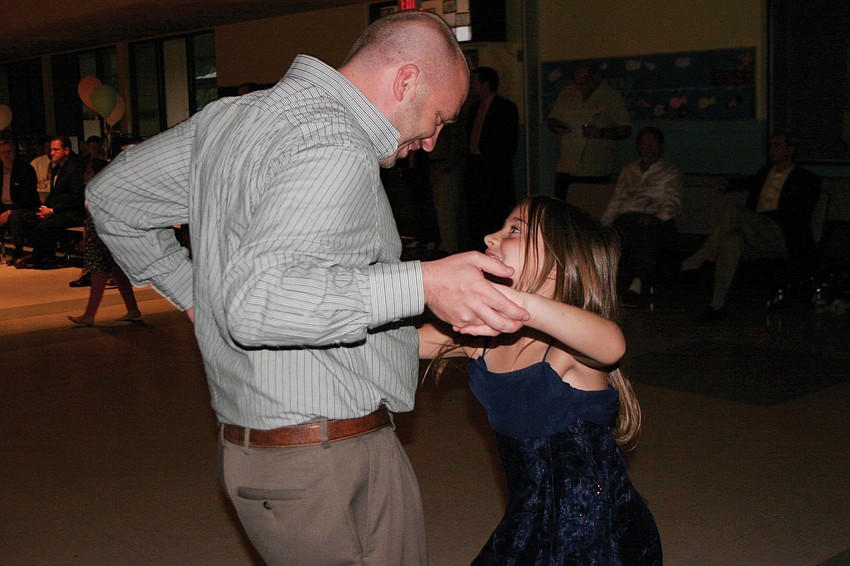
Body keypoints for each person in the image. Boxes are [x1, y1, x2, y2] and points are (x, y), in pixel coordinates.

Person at [86, 11, 529, 565]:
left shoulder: (232, 116)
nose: (434, 141)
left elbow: (113, 198)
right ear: (405, 80)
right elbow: (260, 302)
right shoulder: (333, 144)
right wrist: (424, 281)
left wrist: (196, 293)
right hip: (323, 461)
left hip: (280, 452)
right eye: (439, 118)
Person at [419, 196, 662, 564]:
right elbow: (402, 344)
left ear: (557, 267)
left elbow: (611, 346)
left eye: (514, 230)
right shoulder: (480, 340)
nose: (490, 237)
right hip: (526, 524)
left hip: (599, 536)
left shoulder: (567, 349)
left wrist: (511, 303)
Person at [682, 131, 821, 323]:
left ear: (790, 149)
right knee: (732, 241)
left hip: (783, 236)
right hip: (756, 234)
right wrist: (726, 184)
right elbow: (748, 182)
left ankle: (701, 256)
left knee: (733, 210)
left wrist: (757, 218)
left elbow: (797, 214)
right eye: (771, 145)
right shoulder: (765, 172)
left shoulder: (806, 179)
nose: (772, 150)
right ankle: (717, 305)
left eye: (778, 145)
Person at [600, 126, 682, 307]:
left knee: (645, 234)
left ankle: (636, 286)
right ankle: (604, 288)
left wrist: (657, 217)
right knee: (614, 236)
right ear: (638, 147)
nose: (650, 148)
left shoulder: (670, 171)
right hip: (627, 217)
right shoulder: (629, 170)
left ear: (661, 147)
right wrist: (602, 225)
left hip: (655, 219)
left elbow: (673, 201)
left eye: (654, 144)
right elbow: (616, 199)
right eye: (646, 144)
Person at [67, 158, 140, 326]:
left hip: (101, 237)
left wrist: (90, 238)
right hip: (101, 235)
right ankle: (132, 308)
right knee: (115, 272)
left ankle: (89, 314)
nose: (84, 174)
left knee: (98, 274)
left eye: (88, 171)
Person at [547, 61, 632, 200]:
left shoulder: (611, 96)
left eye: (584, 83)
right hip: (567, 167)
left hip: (595, 168)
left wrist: (601, 133)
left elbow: (625, 130)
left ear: (595, 78)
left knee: (591, 210)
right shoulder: (567, 93)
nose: (580, 88)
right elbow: (552, 120)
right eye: (577, 83)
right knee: (562, 210)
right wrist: (556, 126)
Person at [464, 66, 519, 250]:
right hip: (475, 164)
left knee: (494, 210)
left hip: (494, 167)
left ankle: (498, 248)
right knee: (475, 209)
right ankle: (477, 247)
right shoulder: (473, 108)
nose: (472, 86)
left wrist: (493, 161)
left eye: (476, 81)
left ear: (486, 83)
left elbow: (509, 142)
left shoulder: (506, 107)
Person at [11, 136, 86, 269]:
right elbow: (54, 194)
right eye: (51, 149)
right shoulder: (58, 167)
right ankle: (29, 253)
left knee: (47, 224)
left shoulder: (75, 168)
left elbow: (76, 197)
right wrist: (44, 208)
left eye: (56, 150)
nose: (51, 153)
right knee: (22, 217)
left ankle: (39, 256)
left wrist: (52, 211)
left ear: (66, 150)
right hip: (57, 209)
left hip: (73, 213)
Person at [1, 140, 41, 264]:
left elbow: (27, 196)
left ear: (15, 153)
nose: (7, 155)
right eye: (3, 152)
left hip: (24, 206)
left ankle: (18, 250)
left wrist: (9, 211)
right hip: (3, 205)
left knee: (15, 216)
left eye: (9, 152)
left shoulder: (25, 169)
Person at [29, 135, 53, 200]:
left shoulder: (63, 164)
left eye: (52, 148)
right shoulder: (36, 162)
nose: (49, 151)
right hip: (40, 198)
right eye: (46, 147)